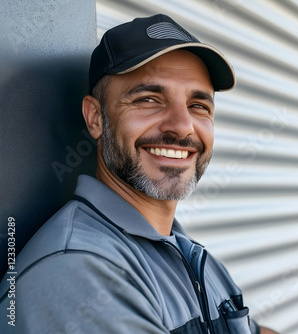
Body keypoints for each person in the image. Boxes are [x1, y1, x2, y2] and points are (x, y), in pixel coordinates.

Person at [0, 14, 278, 334]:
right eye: (148, 99)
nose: (182, 126)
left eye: (198, 105)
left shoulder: (180, 248)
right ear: (95, 118)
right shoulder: (78, 271)